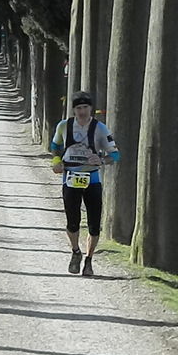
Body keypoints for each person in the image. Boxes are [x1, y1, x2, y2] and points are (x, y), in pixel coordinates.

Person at [51, 91, 120, 276]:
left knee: (94, 224)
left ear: (91, 109)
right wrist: (56, 161)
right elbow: (55, 147)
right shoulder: (64, 126)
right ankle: (75, 251)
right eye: (78, 108)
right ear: (73, 110)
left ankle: (89, 260)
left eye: (85, 107)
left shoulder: (100, 129)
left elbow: (115, 154)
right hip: (70, 178)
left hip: (92, 179)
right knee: (72, 223)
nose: (82, 111)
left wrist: (102, 160)